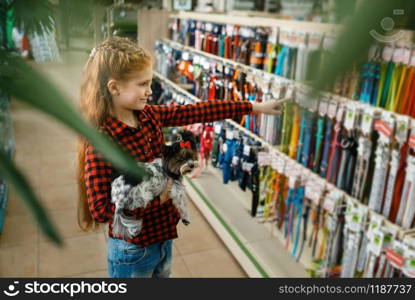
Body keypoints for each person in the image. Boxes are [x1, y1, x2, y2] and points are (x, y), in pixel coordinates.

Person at [77, 36, 289, 278]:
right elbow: (102, 211)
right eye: (143, 84)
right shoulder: (101, 142)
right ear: (114, 87)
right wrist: (160, 197)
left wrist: (254, 107)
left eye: (151, 82)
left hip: (163, 237)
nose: (150, 91)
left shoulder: (149, 115)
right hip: (132, 251)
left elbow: (197, 110)